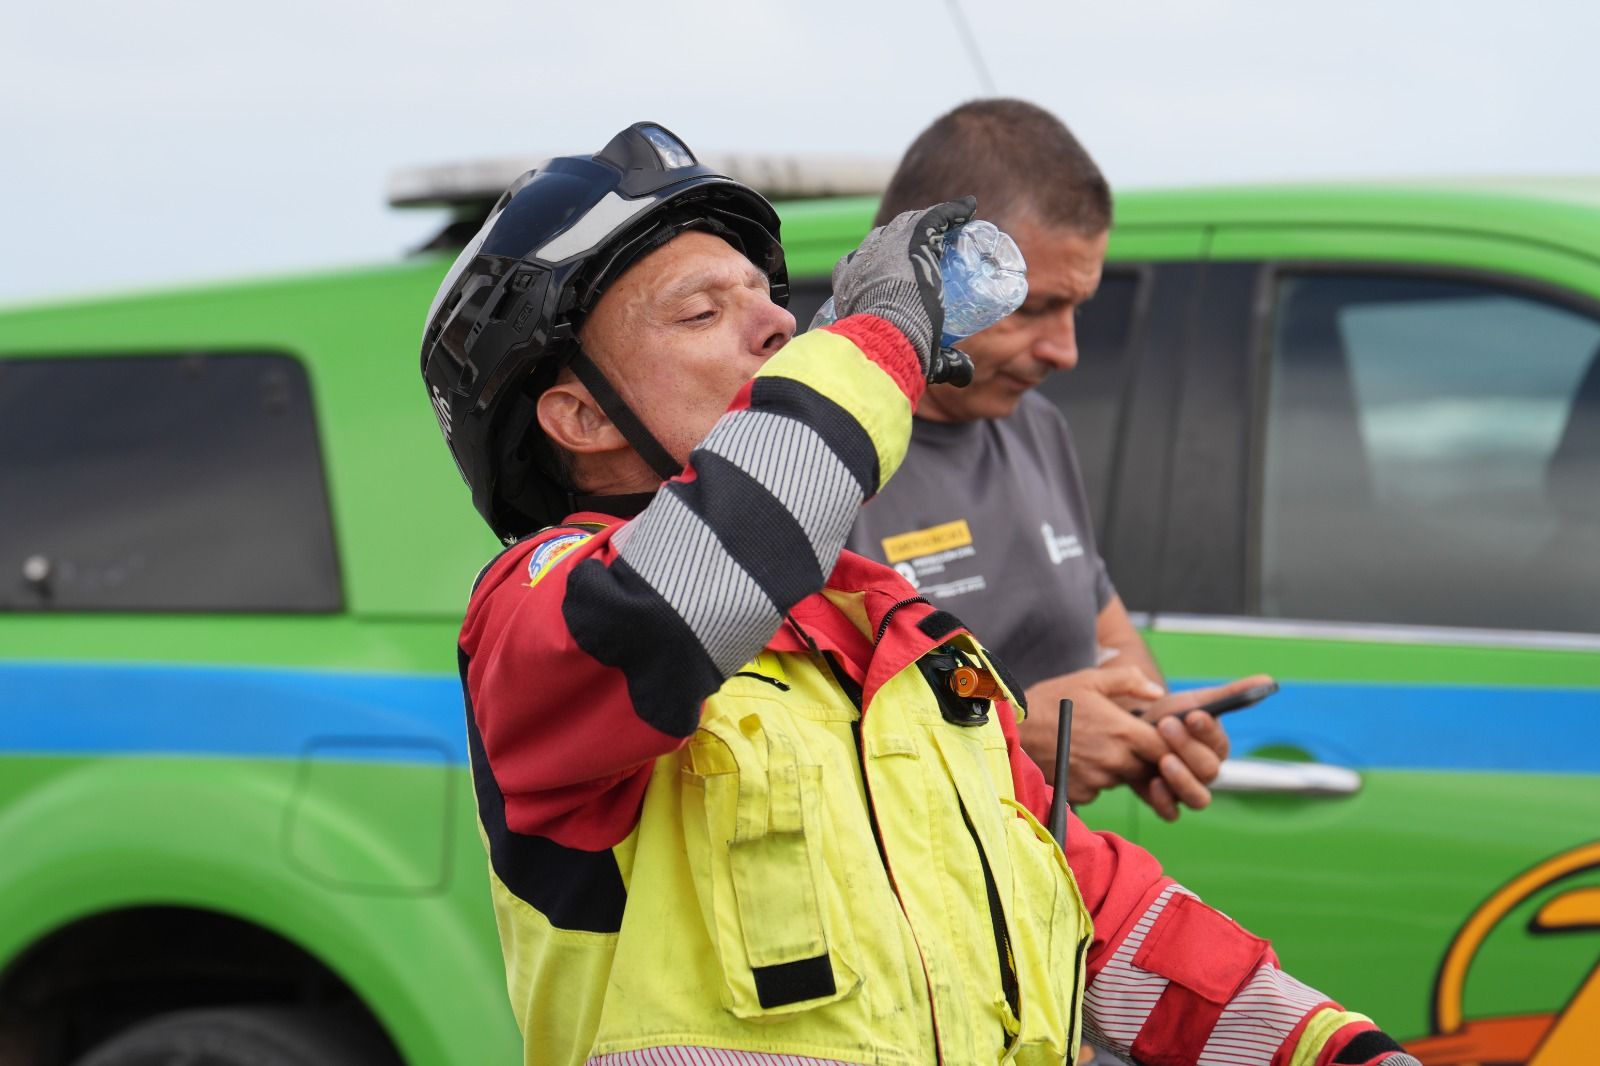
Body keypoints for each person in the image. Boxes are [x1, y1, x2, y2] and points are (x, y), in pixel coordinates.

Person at [420, 122, 1418, 1066]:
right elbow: (692, 586)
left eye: (767, 297)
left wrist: (1331, 1046)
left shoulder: (893, 630)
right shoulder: (536, 606)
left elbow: (1093, 907)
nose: (778, 321)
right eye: (702, 310)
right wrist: (882, 334)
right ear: (581, 415)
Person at [846, 99, 1266, 822]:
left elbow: (1105, 643)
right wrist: (1016, 727)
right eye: (1033, 308)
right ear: (919, 267)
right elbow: (774, 736)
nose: (1066, 352)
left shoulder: (1034, 427)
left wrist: (1147, 724)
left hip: (1031, 908)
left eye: (1077, 309)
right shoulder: (804, 446)